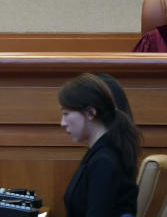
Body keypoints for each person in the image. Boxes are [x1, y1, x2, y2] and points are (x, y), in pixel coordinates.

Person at [59, 73, 140, 217]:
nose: (62, 123)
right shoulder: (101, 152)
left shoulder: (104, 162)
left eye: (66, 113)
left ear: (90, 113)